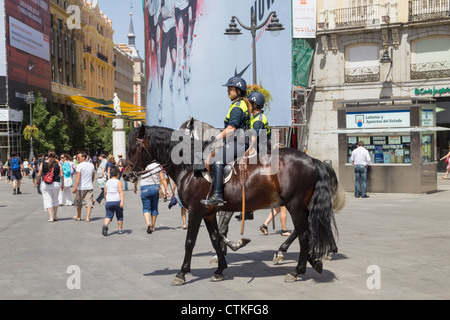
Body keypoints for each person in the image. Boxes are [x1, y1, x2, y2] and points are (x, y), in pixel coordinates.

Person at [201, 76, 251, 206]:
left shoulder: (238, 106)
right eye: (228, 89)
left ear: (238, 91)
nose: (228, 91)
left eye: (230, 89)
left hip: (239, 142)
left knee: (218, 160)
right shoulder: (237, 104)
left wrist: (214, 138)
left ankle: (218, 196)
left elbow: (231, 129)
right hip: (235, 141)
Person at [134, 161, 170, 234]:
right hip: (155, 187)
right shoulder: (157, 166)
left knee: (146, 208)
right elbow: (163, 179)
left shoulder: (142, 164)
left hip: (144, 187)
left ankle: (148, 223)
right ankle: (153, 226)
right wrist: (167, 189)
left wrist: (135, 186)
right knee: (154, 207)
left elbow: (137, 177)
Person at [36, 151, 64, 222]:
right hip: (56, 183)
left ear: (47, 156)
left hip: (46, 183)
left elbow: (39, 174)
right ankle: (55, 216)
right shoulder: (58, 163)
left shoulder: (43, 163)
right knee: (55, 199)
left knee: (47, 199)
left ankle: (51, 217)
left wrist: (37, 181)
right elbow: (61, 175)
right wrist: (62, 184)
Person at [72, 153, 96, 221]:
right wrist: (91, 182)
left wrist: (76, 187)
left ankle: (79, 216)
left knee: (79, 202)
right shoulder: (91, 165)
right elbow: (93, 175)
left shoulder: (79, 165)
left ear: (83, 157)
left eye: (79, 157)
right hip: (89, 186)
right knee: (89, 202)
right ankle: (87, 217)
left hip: (81, 187)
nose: (77, 159)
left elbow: (78, 177)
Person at [102, 165, 124, 236]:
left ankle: (105, 225)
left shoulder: (107, 182)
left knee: (108, 215)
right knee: (119, 215)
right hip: (117, 201)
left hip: (109, 201)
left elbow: (105, 192)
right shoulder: (118, 182)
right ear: (118, 174)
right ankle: (120, 229)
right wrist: (122, 201)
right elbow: (120, 192)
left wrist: (106, 199)